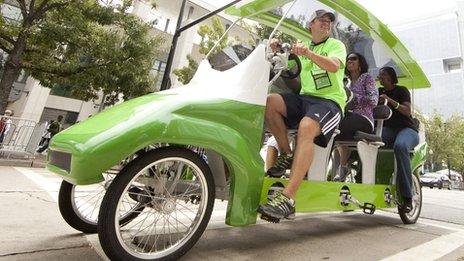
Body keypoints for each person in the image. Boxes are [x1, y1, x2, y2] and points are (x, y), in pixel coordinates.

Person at [258, 9, 347, 221]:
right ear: (311, 25)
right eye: (321, 20)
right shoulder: (301, 47)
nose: (326, 23)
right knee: (269, 102)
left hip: (330, 102)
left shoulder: (336, 45)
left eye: (329, 21)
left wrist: (307, 53)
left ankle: (288, 198)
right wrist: (275, 50)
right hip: (305, 99)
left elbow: (334, 66)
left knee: (307, 126)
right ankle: (287, 154)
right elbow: (287, 68)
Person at [378, 66, 419, 212]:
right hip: (388, 130)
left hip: (407, 129)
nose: (380, 77)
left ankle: (407, 197)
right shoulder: (378, 92)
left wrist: (389, 100)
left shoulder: (401, 90)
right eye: (379, 75)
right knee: (368, 141)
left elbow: (407, 111)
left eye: (382, 75)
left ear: (390, 76)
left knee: (400, 146)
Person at [334, 53, 378, 182]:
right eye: (347, 59)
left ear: (361, 63)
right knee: (329, 124)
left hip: (364, 118)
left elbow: (373, 101)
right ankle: (341, 167)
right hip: (346, 116)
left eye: (353, 58)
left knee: (337, 124)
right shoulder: (343, 80)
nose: (349, 61)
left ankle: (342, 168)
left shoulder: (367, 78)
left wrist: (352, 96)